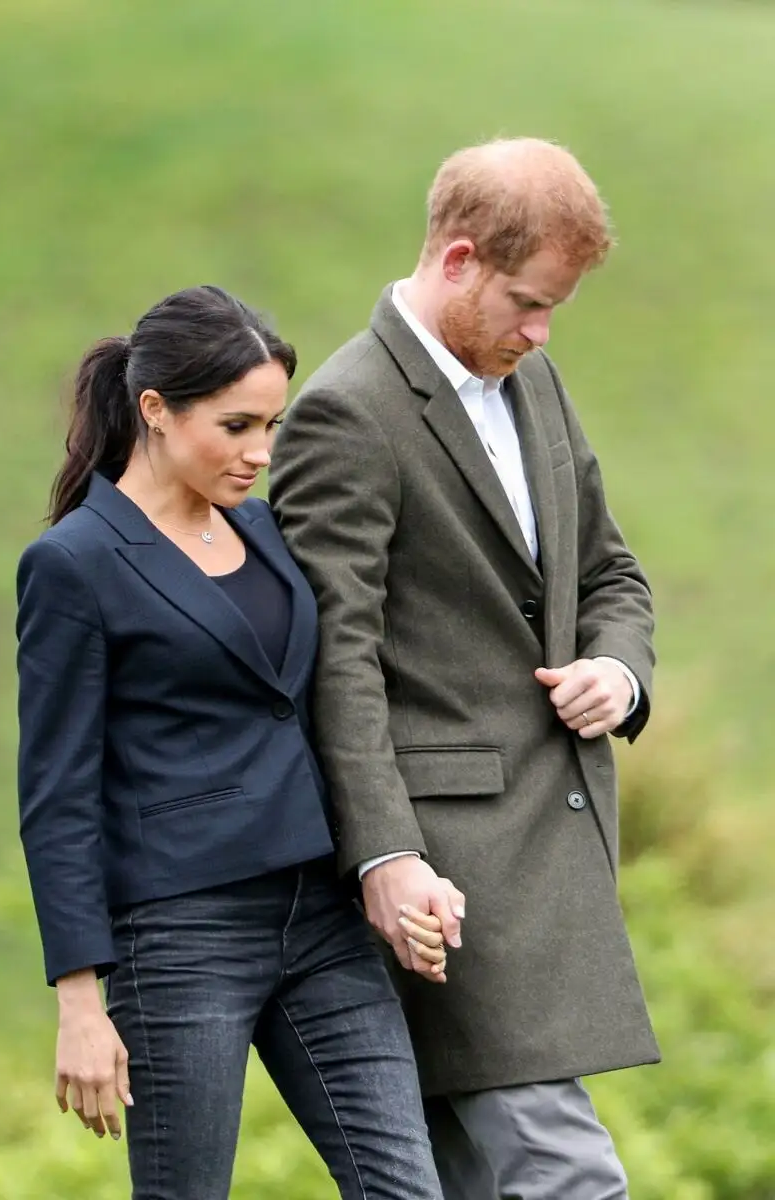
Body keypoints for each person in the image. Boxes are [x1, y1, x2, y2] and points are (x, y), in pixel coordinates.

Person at [269, 139, 659, 1200]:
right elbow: (330, 661)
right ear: (456, 259)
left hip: (555, 854)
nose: (539, 333)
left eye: (554, 314)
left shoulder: (532, 379)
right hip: (446, 877)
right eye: (528, 302)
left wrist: (615, 675)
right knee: (567, 1176)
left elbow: (610, 572)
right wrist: (385, 855)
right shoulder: (348, 413)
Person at [16, 285, 448, 1200]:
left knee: (407, 1187)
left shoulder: (260, 527)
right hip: (180, 934)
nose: (261, 453)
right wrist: (79, 1001)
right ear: (156, 411)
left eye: (273, 426)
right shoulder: (74, 565)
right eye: (238, 425)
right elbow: (57, 796)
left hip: (320, 916)